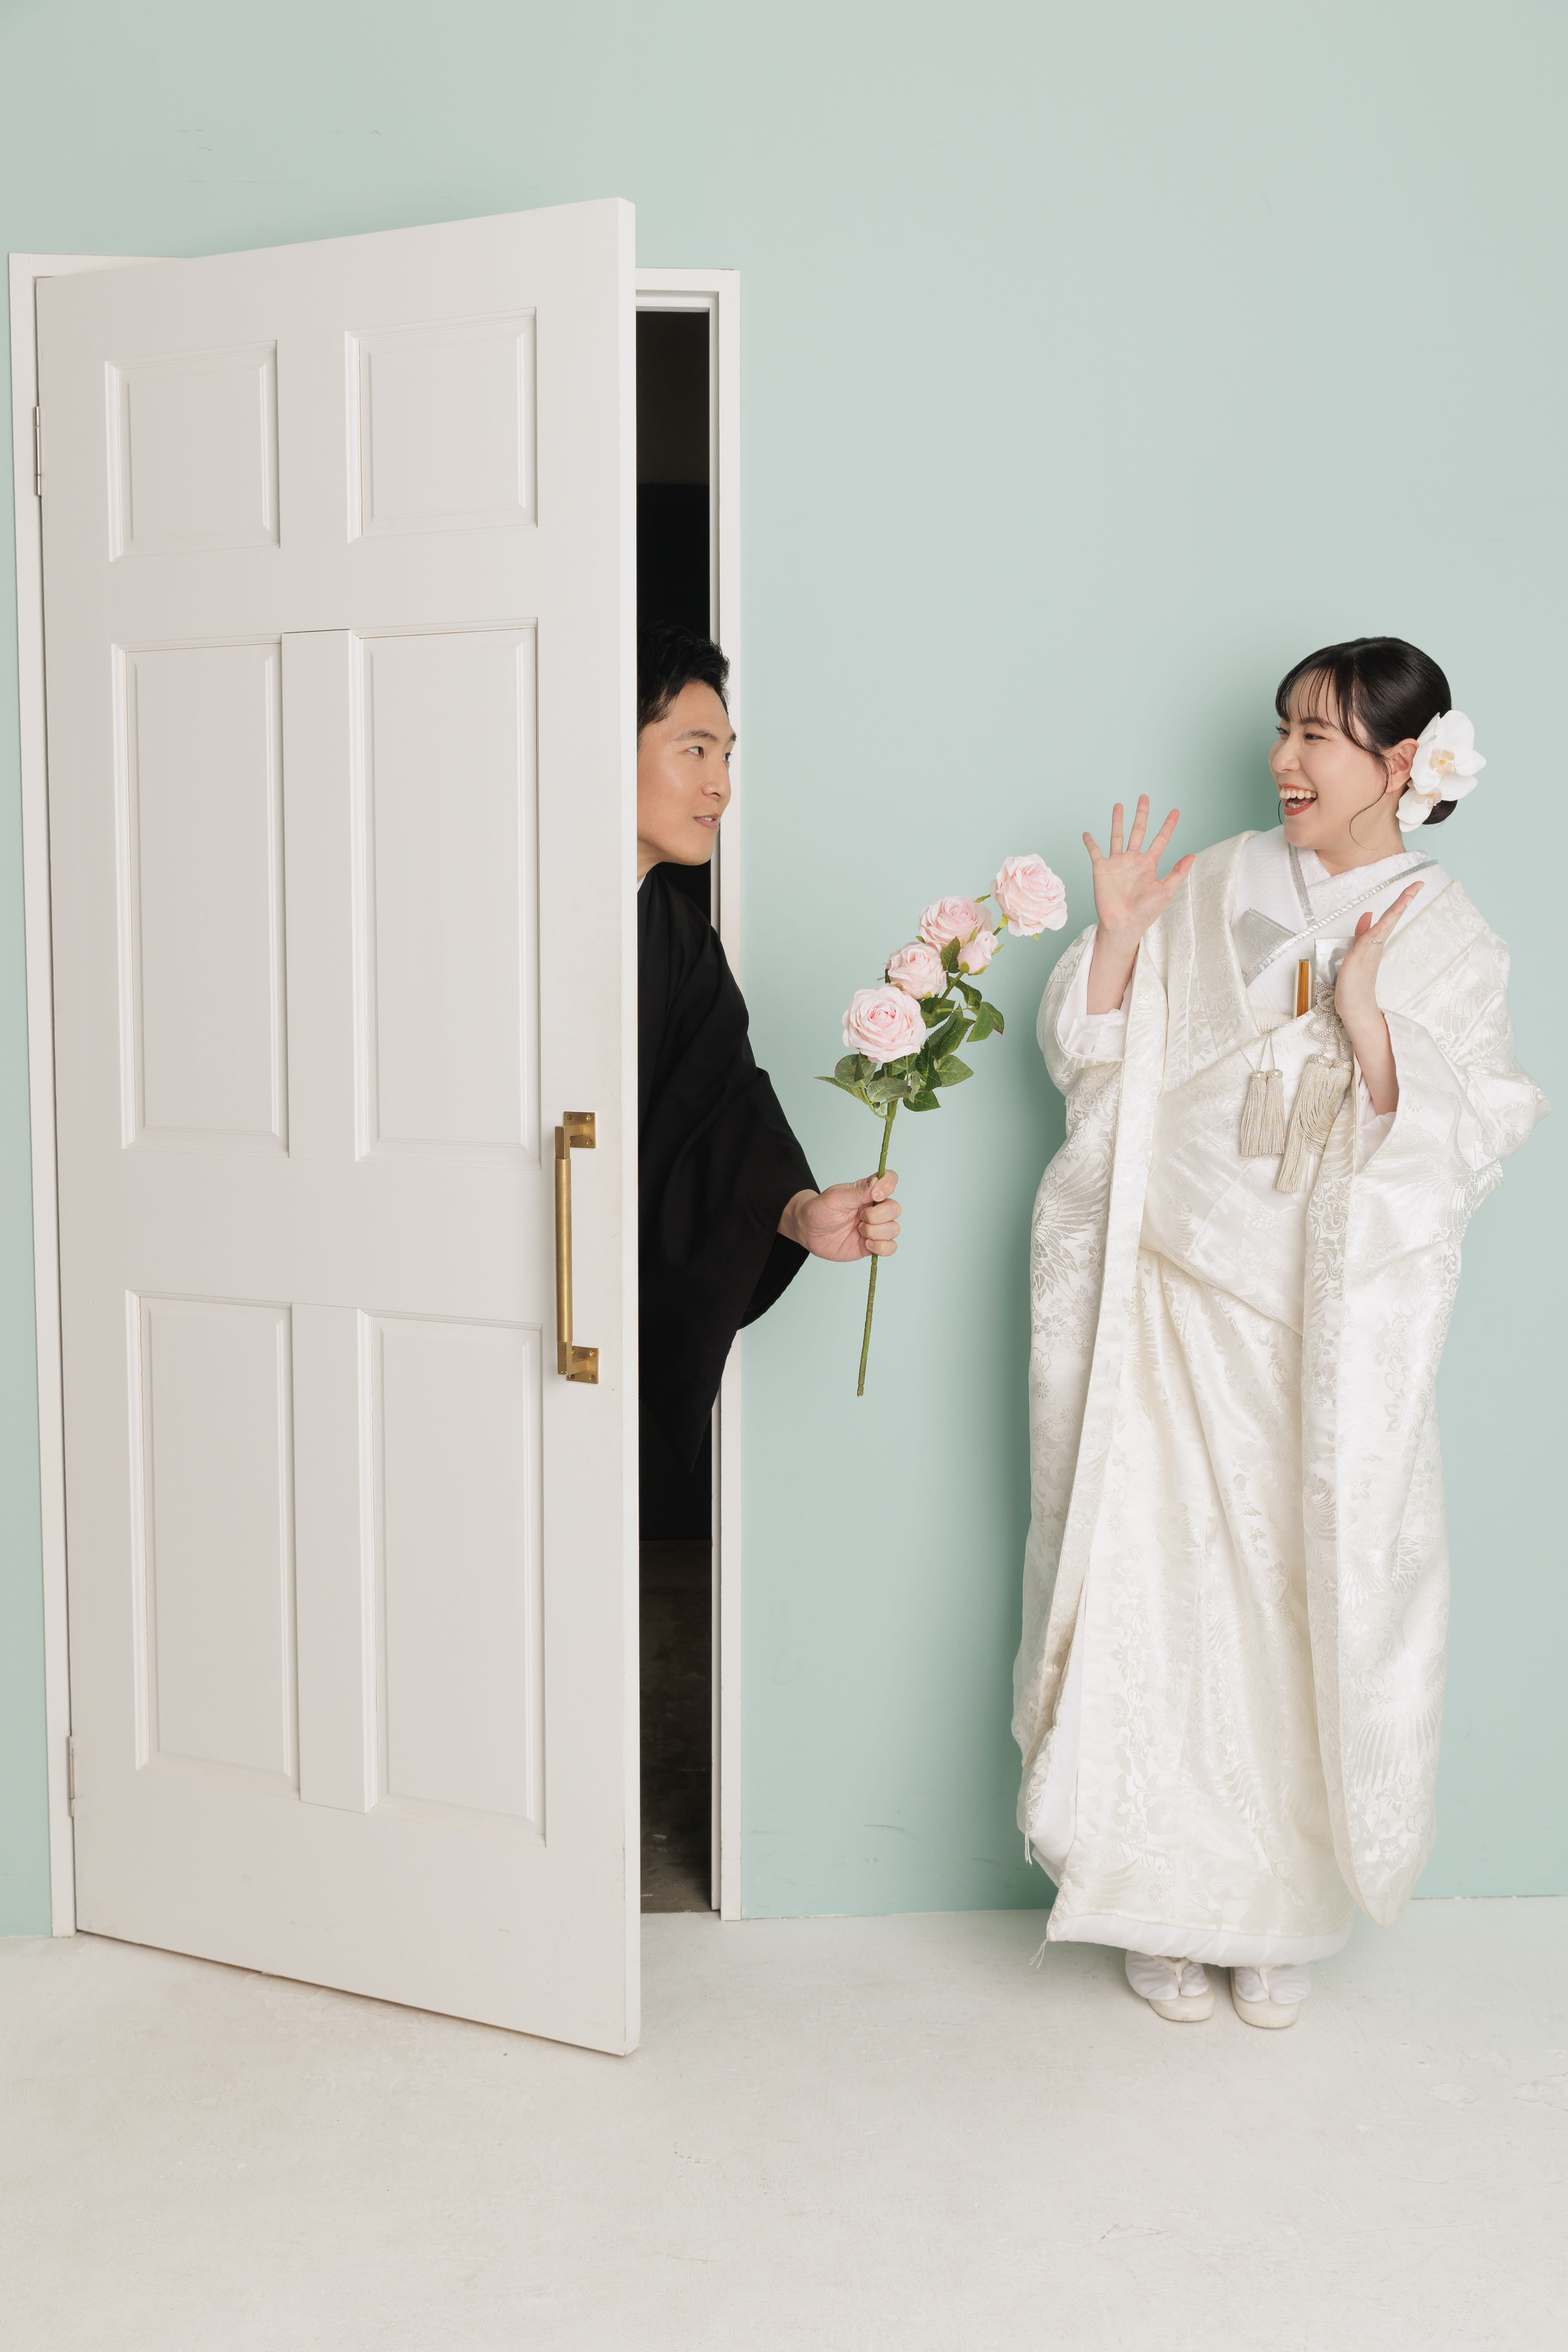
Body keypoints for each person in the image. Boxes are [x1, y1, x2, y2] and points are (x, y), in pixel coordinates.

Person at [1013, 637, 1545, 2029]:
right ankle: (1153, 1897)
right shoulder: (1207, 884)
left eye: (1318, 735)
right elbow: (1094, 1069)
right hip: (1170, 1287)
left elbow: (1475, 1131)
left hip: (1309, 1324)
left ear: (1403, 763)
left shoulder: (1447, 934)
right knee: (1157, 1589)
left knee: (1292, 1600)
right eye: (1283, 727)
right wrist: (1117, 941)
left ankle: (1277, 1911)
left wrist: (1367, 1023)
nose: (1284, 759)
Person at [637, 624, 900, 1486]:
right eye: (694, 749)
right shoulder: (510, 910)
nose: (719, 783)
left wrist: (796, 1211)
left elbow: (721, 1108)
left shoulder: (677, 937)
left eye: (726, 755)